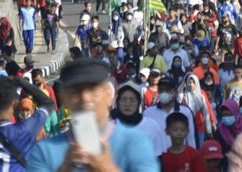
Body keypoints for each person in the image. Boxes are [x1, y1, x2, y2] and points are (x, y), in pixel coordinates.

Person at [27, 58, 159, 171]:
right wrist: (64, 169)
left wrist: (107, 168)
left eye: (93, 90)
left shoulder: (136, 143)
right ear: (63, 99)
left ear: (109, 95)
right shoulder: (44, 151)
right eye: (76, 92)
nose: (85, 98)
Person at [111, 81, 166, 156]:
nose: (127, 104)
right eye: (123, 100)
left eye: (132, 100)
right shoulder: (110, 128)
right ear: (117, 102)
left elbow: (159, 156)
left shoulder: (151, 126)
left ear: (138, 102)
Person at [143, 77, 197, 149]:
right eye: (161, 90)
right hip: (156, 157)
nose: (164, 93)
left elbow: (191, 139)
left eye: (168, 90)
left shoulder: (185, 112)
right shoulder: (148, 113)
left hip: (179, 157)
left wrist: (192, 157)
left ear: (175, 93)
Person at [177, 73, 215, 146]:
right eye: (189, 82)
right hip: (185, 128)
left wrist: (209, 130)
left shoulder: (201, 97)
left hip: (199, 127)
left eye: (193, 82)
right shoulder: (181, 96)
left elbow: (205, 114)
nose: (191, 84)